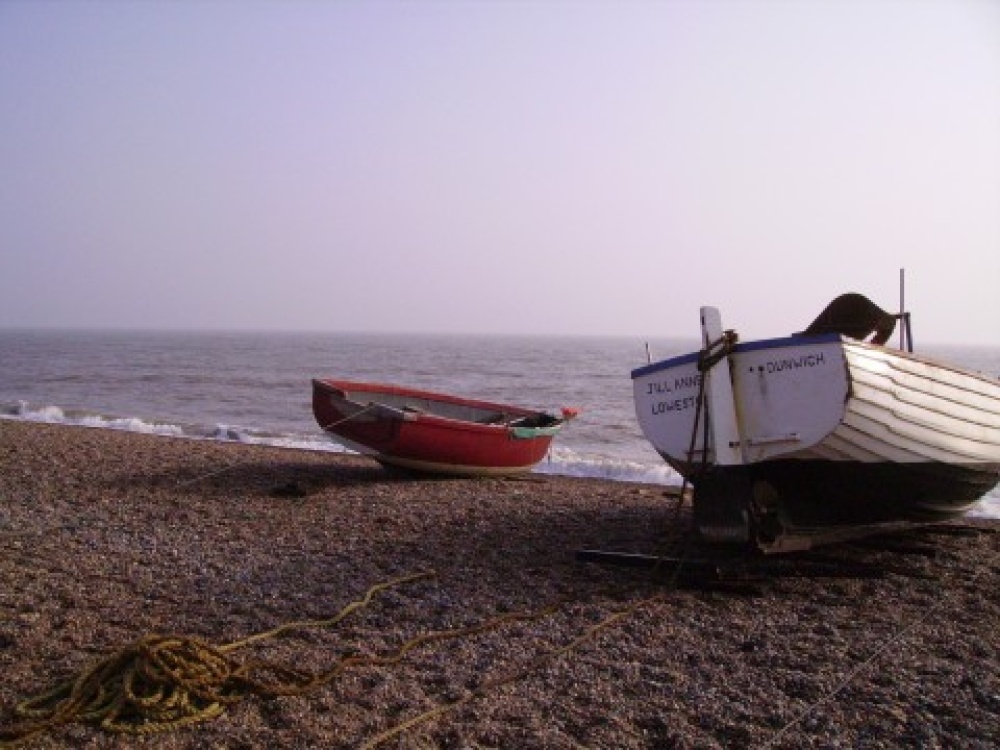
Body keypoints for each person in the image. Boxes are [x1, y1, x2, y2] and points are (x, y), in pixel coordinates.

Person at [797, 293, 898, 345]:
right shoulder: (878, 320)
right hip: (851, 309)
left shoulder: (878, 321)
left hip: (852, 310)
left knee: (813, 334)